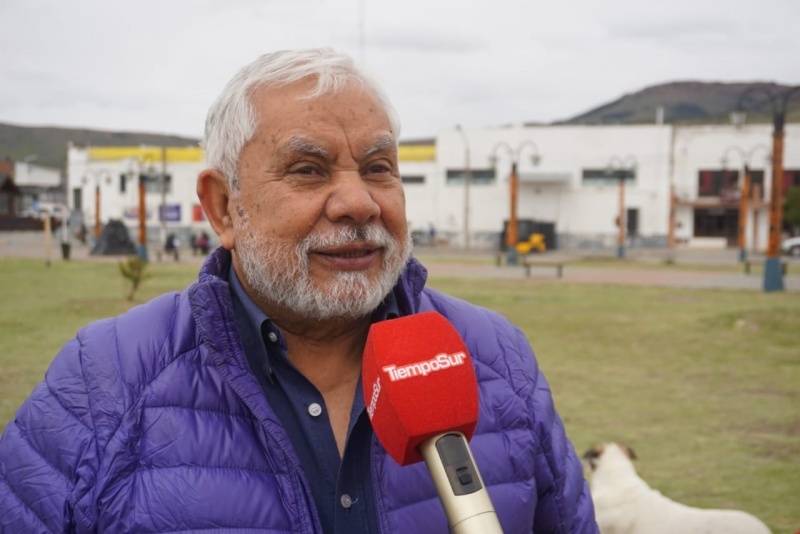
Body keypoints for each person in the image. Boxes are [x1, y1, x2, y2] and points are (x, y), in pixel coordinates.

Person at [0, 49, 597, 533]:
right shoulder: (100, 381)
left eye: (378, 167)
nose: (359, 201)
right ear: (223, 206)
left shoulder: (498, 358)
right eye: (308, 170)